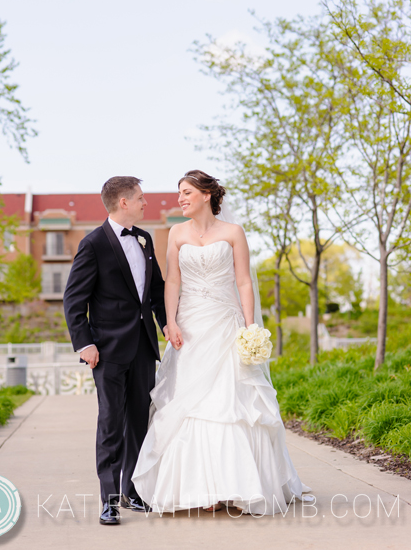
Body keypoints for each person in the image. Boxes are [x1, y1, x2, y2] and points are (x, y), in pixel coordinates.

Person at [132, 170, 309, 515]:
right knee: (190, 404)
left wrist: (249, 326)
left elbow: (244, 282)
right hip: (191, 326)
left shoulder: (233, 233)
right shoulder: (176, 233)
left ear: (206, 194)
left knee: (232, 403)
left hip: (227, 324)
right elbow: (172, 283)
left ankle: (239, 489)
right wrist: (170, 322)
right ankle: (204, 490)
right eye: (178, 193)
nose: (179, 198)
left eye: (185, 192)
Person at [63, 176, 167, 526]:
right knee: (111, 421)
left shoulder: (145, 238)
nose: (144, 203)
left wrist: (167, 324)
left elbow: (155, 290)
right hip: (106, 349)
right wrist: (85, 343)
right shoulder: (93, 244)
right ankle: (107, 500)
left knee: (138, 420)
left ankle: (131, 492)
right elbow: (74, 299)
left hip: (142, 345)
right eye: (140, 198)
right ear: (123, 202)